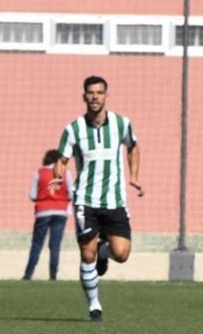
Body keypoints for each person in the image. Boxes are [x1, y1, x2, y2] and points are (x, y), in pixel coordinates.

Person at [54, 76, 144, 321]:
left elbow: (133, 146)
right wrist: (58, 177)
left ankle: (105, 252)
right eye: (90, 93)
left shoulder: (121, 124)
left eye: (99, 92)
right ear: (84, 96)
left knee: (122, 254)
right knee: (87, 254)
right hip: (86, 201)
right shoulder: (74, 129)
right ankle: (95, 307)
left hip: (115, 201)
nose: (95, 96)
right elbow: (62, 159)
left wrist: (134, 176)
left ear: (106, 95)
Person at [23, 149, 72, 281]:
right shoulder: (66, 174)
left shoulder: (39, 173)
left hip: (43, 212)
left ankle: (28, 274)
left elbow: (32, 195)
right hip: (61, 212)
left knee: (37, 244)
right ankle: (53, 275)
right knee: (55, 245)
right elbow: (71, 194)